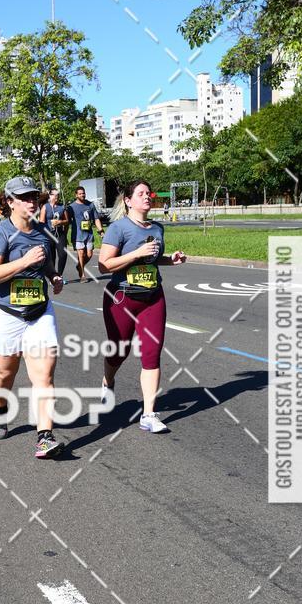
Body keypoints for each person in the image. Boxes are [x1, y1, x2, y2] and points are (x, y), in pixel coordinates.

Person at [0, 175, 65, 459]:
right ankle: (0, 410)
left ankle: (44, 436)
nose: (31, 202)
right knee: (6, 373)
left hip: (39, 312)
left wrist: (53, 276)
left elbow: (45, 263)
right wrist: (23, 262)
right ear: (9, 202)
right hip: (6, 314)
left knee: (44, 375)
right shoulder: (0, 234)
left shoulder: (43, 231)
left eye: (34, 197)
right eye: (24, 198)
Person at [98, 179, 187, 433]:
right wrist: (135, 254)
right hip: (122, 298)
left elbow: (154, 259)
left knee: (152, 353)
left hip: (153, 297)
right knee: (119, 351)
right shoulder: (119, 228)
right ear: (128, 200)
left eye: (149, 193)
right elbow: (105, 265)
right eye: (141, 193)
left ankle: (148, 414)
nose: (147, 197)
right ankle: (108, 381)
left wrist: (172, 260)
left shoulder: (157, 228)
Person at [66, 186, 104, 282]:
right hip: (78, 234)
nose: (82, 195)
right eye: (80, 193)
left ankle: (79, 266)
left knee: (89, 254)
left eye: (83, 193)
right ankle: (82, 275)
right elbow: (67, 220)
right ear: (76, 195)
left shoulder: (90, 205)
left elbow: (96, 218)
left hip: (89, 234)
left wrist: (100, 230)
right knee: (81, 253)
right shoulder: (72, 207)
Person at [39, 188, 69, 280]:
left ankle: (59, 275)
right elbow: (41, 222)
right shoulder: (45, 207)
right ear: (50, 196)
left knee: (63, 255)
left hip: (59, 234)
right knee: (51, 257)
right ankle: (53, 276)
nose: (57, 197)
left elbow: (67, 221)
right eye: (55, 195)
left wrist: (60, 222)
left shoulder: (62, 207)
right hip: (49, 235)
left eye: (58, 195)